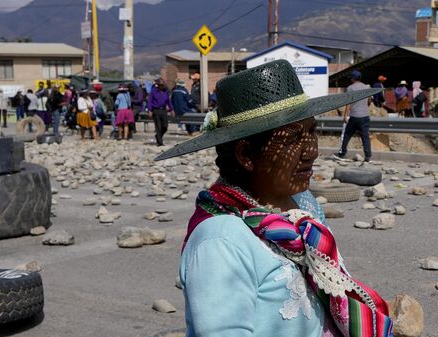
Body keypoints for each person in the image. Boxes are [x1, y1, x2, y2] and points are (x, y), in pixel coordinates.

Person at [154, 60, 392, 337]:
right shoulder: (220, 240)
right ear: (246, 155)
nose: (311, 150)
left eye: (311, 132)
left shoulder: (303, 204)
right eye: (292, 139)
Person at [334, 70, 373, 163]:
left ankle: (342, 153)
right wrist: (363, 107)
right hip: (365, 116)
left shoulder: (350, 88)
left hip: (354, 116)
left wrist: (345, 116)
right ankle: (368, 157)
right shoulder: (366, 87)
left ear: (353, 78)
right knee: (365, 137)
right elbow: (369, 101)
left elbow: (349, 103)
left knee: (347, 135)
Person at [148, 78, 173, 146]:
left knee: (165, 126)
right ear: (158, 85)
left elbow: (168, 101)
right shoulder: (153, 92)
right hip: (156, 110)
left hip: (163, 110)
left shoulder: (166, 92)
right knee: (158, 126)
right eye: (160, 85)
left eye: (163, 85)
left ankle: (158, 136)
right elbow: (150, 101)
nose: (162, 86)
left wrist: (171, 109)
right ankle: (160, 142)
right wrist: (150, 110)